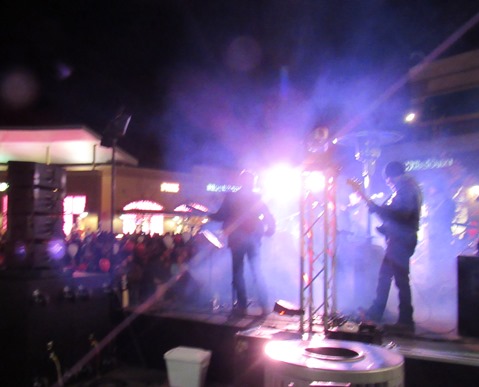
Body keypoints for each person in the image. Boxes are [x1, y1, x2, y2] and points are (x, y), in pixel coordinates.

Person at [364, 161, 423, 334]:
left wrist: (379, 210)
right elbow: (399, 215)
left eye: (388, 179)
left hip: (401, 241)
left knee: (399, 280)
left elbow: (402, 215)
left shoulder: (406, 189)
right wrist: (383, 221)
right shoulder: (408, 187)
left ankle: (405, 321)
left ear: (392, 176)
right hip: (401, 240)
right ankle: (378, 312)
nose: (388, 182)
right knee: (386, 276)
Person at [209, 170, 276, 317]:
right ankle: (264, 305)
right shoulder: (256, 197)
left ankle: (242, 306)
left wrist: (210, 215)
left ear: (240, 182)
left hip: (237, 239)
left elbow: (221, 215)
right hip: (253, 238)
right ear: (252, 183)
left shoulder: (232, 197)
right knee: (257, 271)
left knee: (238, 273)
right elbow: (267, 215)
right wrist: (270, 229)